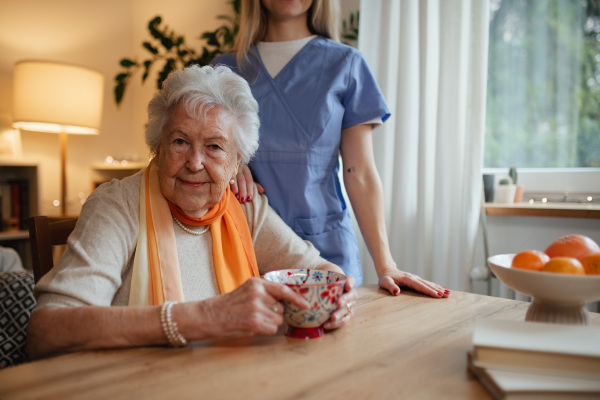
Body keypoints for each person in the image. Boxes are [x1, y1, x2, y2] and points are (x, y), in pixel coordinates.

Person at [27, 65, 356, 360]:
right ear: (158, 145)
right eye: (180, 142)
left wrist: (339, 298)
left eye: (214, 146)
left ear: (237, 161)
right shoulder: (117, 206)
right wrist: (204, 316)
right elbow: (46, 330)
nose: (195, 163)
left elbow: (318, 271)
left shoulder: (242, 204)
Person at [212, 0, 450, 298]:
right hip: (245, 245)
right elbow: (199, 155)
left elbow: (359, 172)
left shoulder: (346, 64)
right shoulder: (223, 71)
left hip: (327, 252)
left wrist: (386, 265)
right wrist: (229, 163)